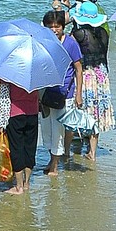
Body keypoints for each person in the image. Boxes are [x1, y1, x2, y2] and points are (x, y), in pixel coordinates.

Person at [68, 0, 115, 161]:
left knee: (79, 109)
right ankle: (93, 152)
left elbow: (71, 53)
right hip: (101, 74)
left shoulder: (78, 34)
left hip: (86, 74)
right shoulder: (103, 33)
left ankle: (68, 147)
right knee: (96, 111)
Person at [40, 9, 83, 175]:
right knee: (46, 128)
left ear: (63, 26)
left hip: (64, 92)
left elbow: (79, 69)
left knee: (58, 128)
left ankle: (55, 166)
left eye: (57, 26)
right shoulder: (44, 42)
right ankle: (52, 160)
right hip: (45, 91)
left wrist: (78, 94)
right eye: (50, 26)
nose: (54, 29)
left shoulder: (70, 44)